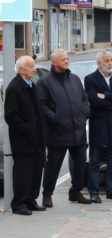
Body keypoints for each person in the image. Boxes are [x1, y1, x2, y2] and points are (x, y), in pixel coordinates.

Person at [37, 49, 91, 207]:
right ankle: (47, 194)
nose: (67, 61)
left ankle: (75, 192)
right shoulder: (45, 81)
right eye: (63, 59)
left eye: (67, 59)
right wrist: (54, 118)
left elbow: (84, 98)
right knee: (53, 164)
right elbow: (41, 104)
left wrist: (84, 113)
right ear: (54, 63)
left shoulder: (74, 79)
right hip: (57, 131)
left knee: (80, 162)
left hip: (78, 130)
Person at [84, 51, 112, 203]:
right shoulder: (90, 79)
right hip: (99, 124)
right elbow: (93, 100)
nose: (110, 63)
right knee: (95, 160)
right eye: (106, 61)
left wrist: (107, 96)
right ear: (99, 63)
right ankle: (94, 192)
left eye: (111, 60)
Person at [4, 56, 46, 215]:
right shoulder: (15, 87)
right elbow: (11, 115)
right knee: (24, 173)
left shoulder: (31, 85)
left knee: (35, 172)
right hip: (24, 140)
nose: (34, 69)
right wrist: (26, 129)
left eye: (34, 66)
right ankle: (19, 203)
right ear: (21, 70)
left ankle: (31, 200)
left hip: (36, 139)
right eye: (31, 66)